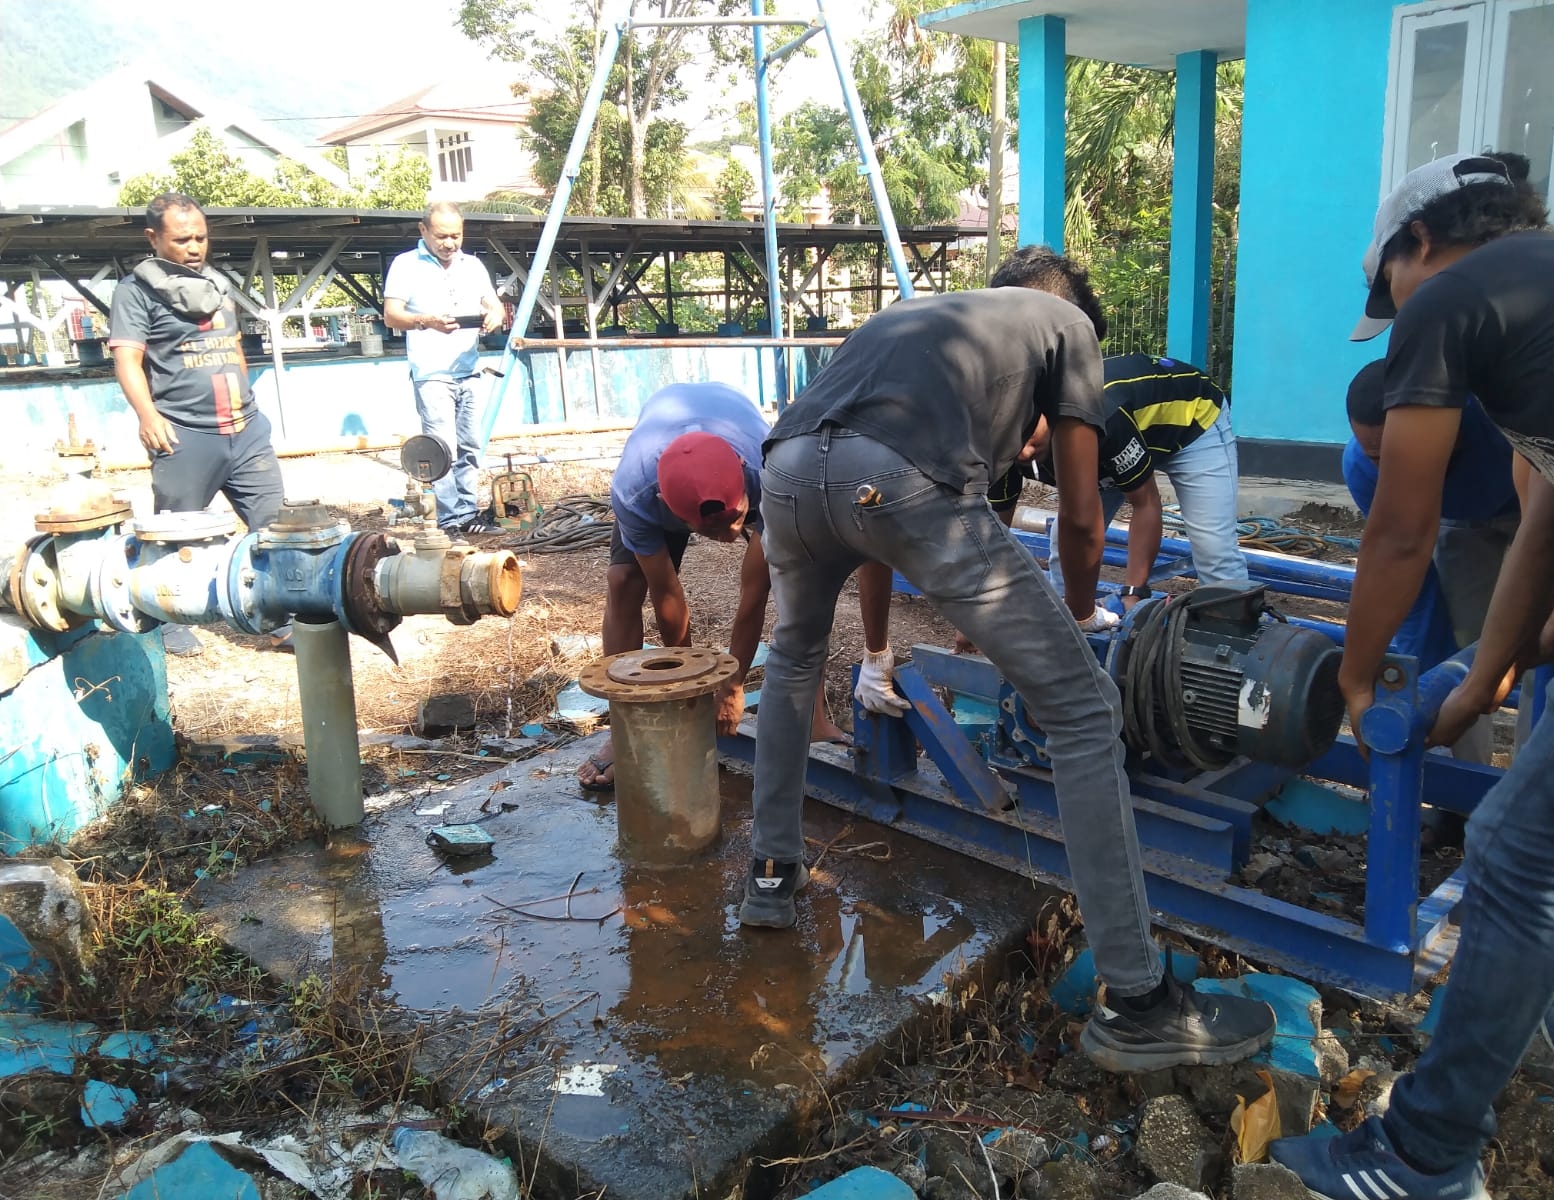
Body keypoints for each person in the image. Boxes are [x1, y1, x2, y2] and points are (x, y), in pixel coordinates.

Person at [740, 245, 1277, 1073]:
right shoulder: (1069, 327)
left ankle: (771, 877)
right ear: (1074, 313)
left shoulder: (926, 320)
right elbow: (1083, 517)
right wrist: (1078, 622)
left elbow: (866, 495)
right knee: (1087, 711)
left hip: (784, 467)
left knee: (793, 658)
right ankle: (1139, 1004)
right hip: (894, 477)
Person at [1270, 151, 1554, 1200]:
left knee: (1519, 852)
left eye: (1389, 287)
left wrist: (1358, 683)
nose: (1396, 312)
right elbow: (1553, 517)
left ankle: (1422, 1156)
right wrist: (1489, 672)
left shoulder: (1452, 299)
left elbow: (1402, 534)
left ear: (1418, 244)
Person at [575, 382, 880, 791]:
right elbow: (667, 592)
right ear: (667, 506)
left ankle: (813, 719)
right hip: (661, 472)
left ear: (739, 468)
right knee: (624, 580)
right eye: (711, 530)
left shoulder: (770, 469)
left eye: (736, 519)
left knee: (799, 581)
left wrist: (732, 683)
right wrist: (688, 688)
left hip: (753, 472)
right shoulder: (636, 493)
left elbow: (754, 596)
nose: (730, 534)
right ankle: (623, 728)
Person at [109, 192, 288, 653]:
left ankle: (279, 616)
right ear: (153, 238)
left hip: (245, 430)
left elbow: (234, 347)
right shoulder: (135, 292)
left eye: (201, 238)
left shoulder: (217, 284)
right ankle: (168, 619)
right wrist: (147, 415)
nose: (194, 247)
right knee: (176, 535)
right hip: (184, 433)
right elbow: (127, 359)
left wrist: (250, 404)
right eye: (182, 239)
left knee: (274, 527)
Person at [1342, 361, 1520, 765]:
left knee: (1549, 638)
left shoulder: (1503, 424)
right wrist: (1421, 691)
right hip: (1460, 522)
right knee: (1460, 648)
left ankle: (1536, 783)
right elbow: (1411, 591)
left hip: (1543, 505)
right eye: (1377, 457)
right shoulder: (1363, 470)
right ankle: (1461, 782)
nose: (1390, 471)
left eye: (1399, 454)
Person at [987, 352, 1248, 604]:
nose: (1025, 452)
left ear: (1047, 412)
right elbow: (996, 529)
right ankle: (1066, 617)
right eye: (1013, 441)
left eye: (1030, 436)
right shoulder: (1001, 450)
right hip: (1114, 445)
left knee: (1213, 549)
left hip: (1193, 423)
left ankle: (1231, 623)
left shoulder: (1098, 416)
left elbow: (1146, 503)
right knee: (1064, 538)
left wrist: (1133, 593)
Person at [383, 201, 504, 536]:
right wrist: (426, 321)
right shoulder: (406, 265)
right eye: (442, 236)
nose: (450, 243)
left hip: (469, 368)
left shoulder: (473, 266)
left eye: (456, 236)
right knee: (441, 448)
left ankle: (467, 513)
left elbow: (493, 304)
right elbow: (391, 315)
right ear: (423, 231)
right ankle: (449, 518)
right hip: (432, 373)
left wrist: (495, 315)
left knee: (471, 445)